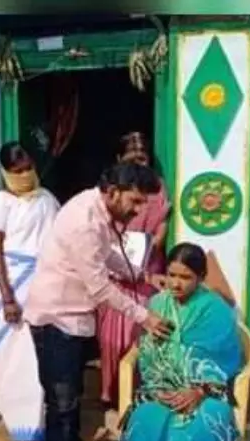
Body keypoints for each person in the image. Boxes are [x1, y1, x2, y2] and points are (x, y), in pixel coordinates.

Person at [24, 162, 171, 441]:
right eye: (134, 202)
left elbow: (108, 256)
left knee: (72, 404)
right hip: (56, 320)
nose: (137, 210)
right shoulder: (84, 221)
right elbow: (100, 287)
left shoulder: (99, 211)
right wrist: (145, 316)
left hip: (75, 318)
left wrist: (142, 274)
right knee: (62, 407)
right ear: (113, 191)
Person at [106, 242, 245, 441]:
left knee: (201, 430)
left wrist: (198, 390)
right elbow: (145, 350)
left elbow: (225, 358)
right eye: (171, 275)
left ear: (201, 278)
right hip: (160, 388)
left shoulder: (216, 311)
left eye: (186, 277)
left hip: (206, 392)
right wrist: (160, 386)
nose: (176, 284)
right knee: (145, 425)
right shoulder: (157, 304)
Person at [0, 142, 60, 441]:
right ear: (6, 173)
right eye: (17, 171)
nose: (25, 175)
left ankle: (38, 423)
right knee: (13, 356)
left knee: (37, 358)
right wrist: (7, 297)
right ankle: (19, 424)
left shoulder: (47, 200)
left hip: (41, 285)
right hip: (12, 285)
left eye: (28, 168)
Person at [96, 132, 170, 410]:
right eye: (132, 159)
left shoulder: (157, 188)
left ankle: (141, 392)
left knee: (142, 332)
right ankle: (112, 393)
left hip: (147, 267)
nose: (139, 164)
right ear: (119, 159)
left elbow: (161, 225)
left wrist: (145, 249)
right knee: (111, 337)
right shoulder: (110, 192)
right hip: (114, 269)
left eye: (143, 158)